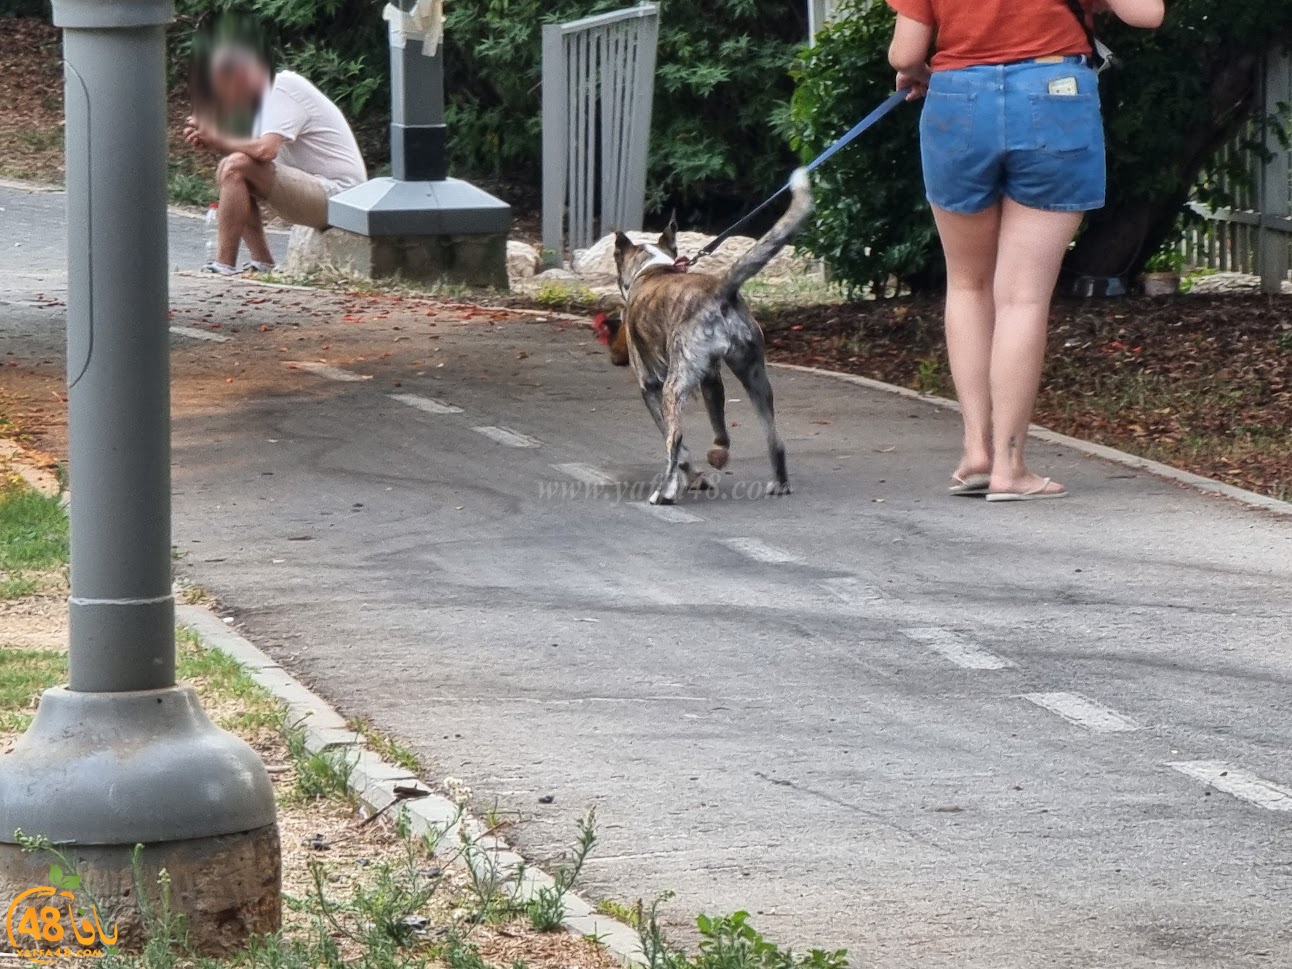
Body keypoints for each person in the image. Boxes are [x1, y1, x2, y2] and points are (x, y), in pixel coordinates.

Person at [886, 0, 1165, 501]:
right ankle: (1010, 466)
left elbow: (905, 53)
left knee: (967, 284)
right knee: (1023, 298)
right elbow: (1146, 13)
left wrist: (924, 73)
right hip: (1052, 93)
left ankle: (976, 453)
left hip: (957, 96)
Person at [184, 44, 368, 275]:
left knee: (235, 166)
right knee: (232, 167)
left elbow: (265, 152)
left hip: (341, 197)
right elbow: (251, 158)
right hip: (320, 192)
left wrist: (219, 139)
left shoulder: (282, 88)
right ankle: (262, 262)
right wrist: (210, 139)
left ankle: (223, 266)